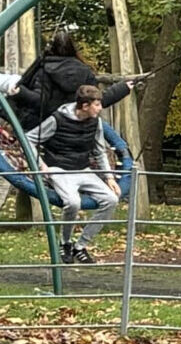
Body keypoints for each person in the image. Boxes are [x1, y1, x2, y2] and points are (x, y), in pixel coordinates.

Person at [22, 84, 123, 263]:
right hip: (58, 169)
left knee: (111, 199)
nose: (100, 108)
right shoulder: (57, 119)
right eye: (97, 105)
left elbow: (99, 151)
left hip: (82, 169)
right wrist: (41, 164)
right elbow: (29, 138)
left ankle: (81, 246)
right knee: (73, 202)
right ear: (85, 106)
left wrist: (109, 177)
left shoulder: (96, 122)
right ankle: (65, 242)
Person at [15, 28, 144, 129]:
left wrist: (19, 92)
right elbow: (98, 99)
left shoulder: (43, 70)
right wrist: (122, 88)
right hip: (76, 127)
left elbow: (39, 101)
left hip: (43, 125)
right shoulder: (85, 71)